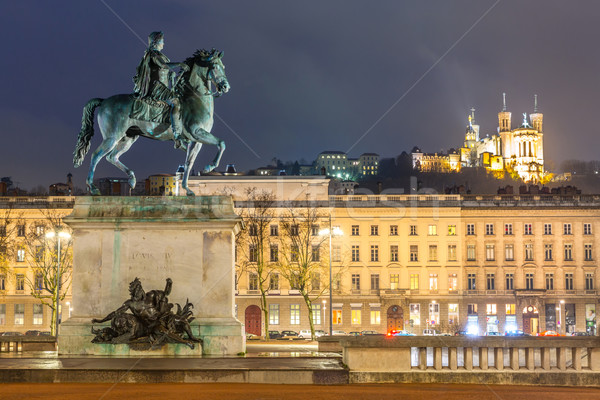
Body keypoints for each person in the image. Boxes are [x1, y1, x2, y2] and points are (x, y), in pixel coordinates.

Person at [133, 31, 189, 149]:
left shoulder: (158, 54)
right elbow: (163, 66)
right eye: (162, 41)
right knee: (175, 102)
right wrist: (179, 64)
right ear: (157, 42)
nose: (164, 44)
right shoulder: (153, 54)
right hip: (156, 88)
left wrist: (171, 77)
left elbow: (164, 70)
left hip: (162, 86)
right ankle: (177, 134)